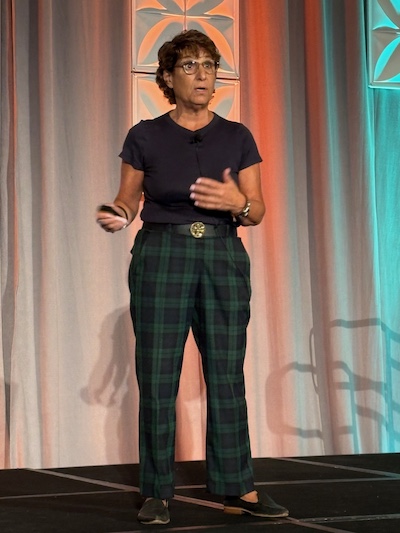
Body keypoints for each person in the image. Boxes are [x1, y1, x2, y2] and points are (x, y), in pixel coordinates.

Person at [96, 29, 289, 526]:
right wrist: (117, 214)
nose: (202, 75)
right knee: (158, 376)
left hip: (223, 254)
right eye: (189, 65)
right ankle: (157, 491)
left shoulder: (238, 136)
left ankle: (238, 487)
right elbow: (128, 199)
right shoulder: (145, 135)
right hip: (163, 253)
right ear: (167, 77)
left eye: (209, 65)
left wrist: (239, 203)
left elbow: (257, 211)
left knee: (226, 373)